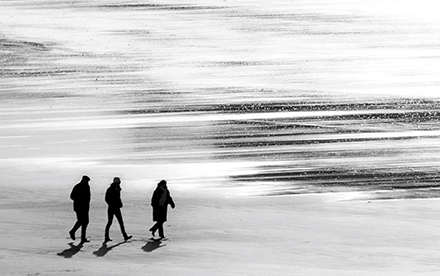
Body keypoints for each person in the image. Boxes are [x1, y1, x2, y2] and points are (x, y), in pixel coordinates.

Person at [104, 177, 132, 243]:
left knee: (118, 222)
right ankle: (107, 236)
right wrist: (112, 204)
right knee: (111, 222)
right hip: (113, 207)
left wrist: (119, 203)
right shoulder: (111, 189)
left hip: (115, 207)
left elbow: (117, 198)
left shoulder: (116, 189)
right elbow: (107, 199)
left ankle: (124, 236)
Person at [69, 175, 91, 243]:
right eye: (86, 181)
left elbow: (88, 196)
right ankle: (72, 231)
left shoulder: (87, 187)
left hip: (86, 207)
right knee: (81, 220)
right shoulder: (77, 186)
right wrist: (79, 201)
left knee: (86, 222)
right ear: (83, 180)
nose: (87, 182)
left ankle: (83, 238)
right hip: (79, 207)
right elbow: (72, 196)